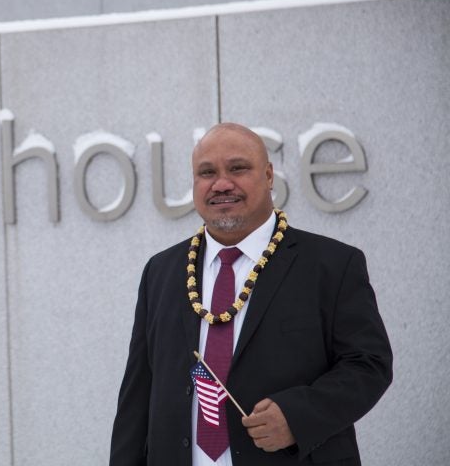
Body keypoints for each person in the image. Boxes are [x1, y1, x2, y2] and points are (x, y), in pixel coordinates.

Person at [109, 123, 392, 465]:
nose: (222, 183)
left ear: (269, 175)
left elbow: (369, 365)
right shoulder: (161, 270)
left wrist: (298, 416)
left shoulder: (332, 264)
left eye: (238, 168)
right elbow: (138, 394)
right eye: (207, 172)